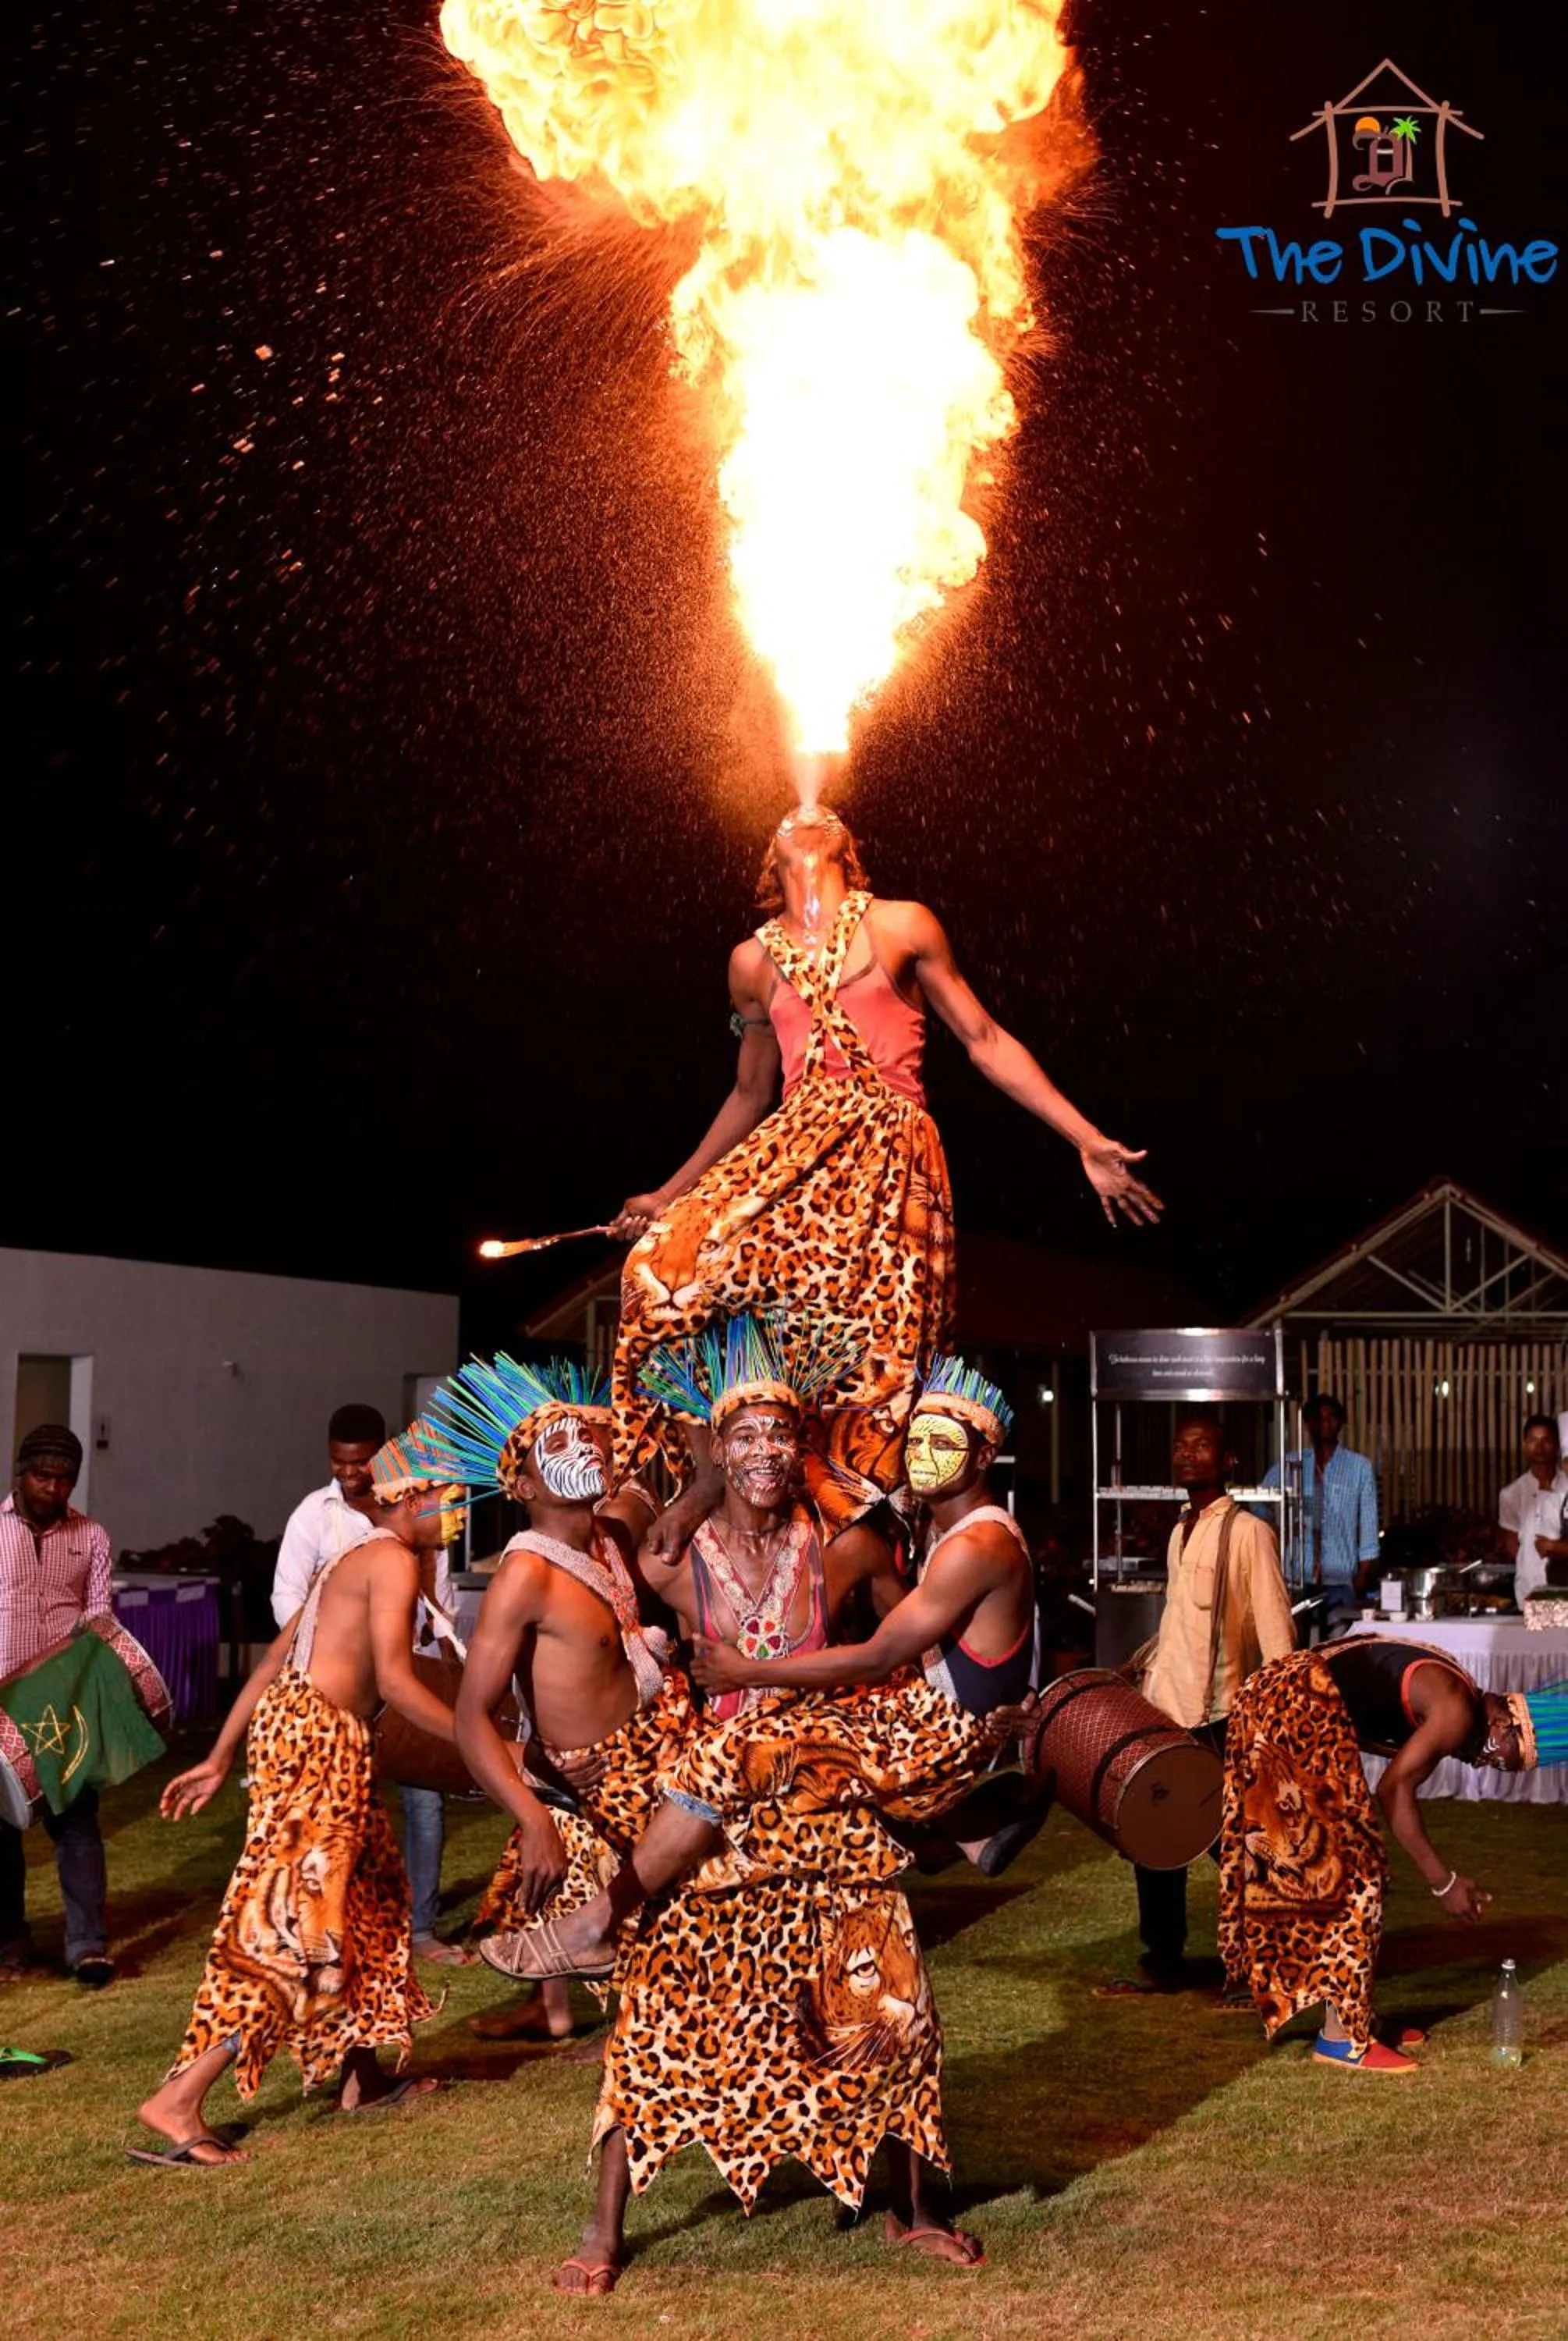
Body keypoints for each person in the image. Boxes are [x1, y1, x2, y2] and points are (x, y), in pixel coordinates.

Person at [436, 1329, 994, 2293]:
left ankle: (920, 2205)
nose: (767, 1454)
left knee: (890, 1994)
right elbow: (629, 1524)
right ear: (722, 1447)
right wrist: (696, 1469)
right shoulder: (663, 1561)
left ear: (804, 1445)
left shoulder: (847, 1549)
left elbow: (913, 1641)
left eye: (783, 1435)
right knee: (660, 2008)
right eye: (747, 1436)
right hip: (707, 1800)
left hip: (815, 1797)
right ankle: (605, 2231)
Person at [609, 804, 1162, 1524]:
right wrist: (668, 1193)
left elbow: (986, 1040)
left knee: (873, 1382)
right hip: (796, 1153)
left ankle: (862, 1541)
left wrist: (1083, 1137)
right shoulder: (752, 961)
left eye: (817, 814)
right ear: (768, 857)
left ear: (846, 843)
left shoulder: (903, 924)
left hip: (890, 1159)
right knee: (656, 1272)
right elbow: (750, 1093)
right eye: (784, 816)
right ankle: (702, 1485)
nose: (802, 814)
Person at [126, 1421, 463, 2168]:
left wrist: (220, 1758)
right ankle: (178, 2101)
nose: (460, 1511)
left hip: (304, 1731)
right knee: (292, 1929)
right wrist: (478, 1740)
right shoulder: (392, 1560)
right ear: (411, 1495)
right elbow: (401, 1682)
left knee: (371, 1902)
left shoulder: (362, 1555)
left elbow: (276, 1659)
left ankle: (363, 2076)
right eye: (451, 1495)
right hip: (317, 1744)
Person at [694, 1353, 1045, 1873]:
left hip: (934, 1733)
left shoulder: (976, 1545)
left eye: (943, 1444)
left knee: (747, 1752)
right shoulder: (959, 1532)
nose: (922, 1456)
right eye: (917, 1441)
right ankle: (952, 1828)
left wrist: (748, 1671)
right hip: (942, 1717)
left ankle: (943, 1821)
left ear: (984, 1456)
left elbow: (879, 1656)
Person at [1219, 1638, 1558, 2073]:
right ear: (1503, 1720)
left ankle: (1352, 2014)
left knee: (1354, 1867)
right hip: (1293, 1702)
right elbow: (1393, 1789)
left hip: (1288, 1698)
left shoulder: (1460, 1695)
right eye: (1504, 1758)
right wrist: (1444, 1881)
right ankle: (1341, 2038)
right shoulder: (1457, 1710)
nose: (1487, 1765)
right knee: (1356, 1876)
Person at [1099, 1411, 1296, 1997]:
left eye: (1203, 1446)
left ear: (1229, 1460)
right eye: (1182, 1447)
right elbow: (1179, 1621)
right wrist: (1140, 1665)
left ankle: (1263, 1965)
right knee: (1155, 1838)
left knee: (1234, 1847)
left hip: (1221, 1714)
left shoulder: (1249, 1533)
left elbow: (1275, 1626)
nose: (1189, 1455)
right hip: (1166, 1710)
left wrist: (1282, 1712)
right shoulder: (1179, 1531)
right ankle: (1164, 1959)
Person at [273, 1401, 467, 1966]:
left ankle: (416, 1929)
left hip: (404, 1677)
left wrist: (445, 1651)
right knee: (346, 1818)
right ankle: (328, 1936)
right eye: (340, 1462)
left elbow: (443, 1599)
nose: (350, 1473)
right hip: (346, 1696)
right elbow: (289, 1600)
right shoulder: (317, 1515)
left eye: (360, 1462)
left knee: (423, 1804)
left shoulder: (424, 1513)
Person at [0, 1425, 117, 1988]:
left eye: (64, 1479)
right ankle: (9, 1944)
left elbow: (99, 1616)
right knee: (0, 1831)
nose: (52, 1488)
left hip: (62, 1705)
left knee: (78, 1826)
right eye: (42, 1476)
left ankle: (87, 1945)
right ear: (19, 1473)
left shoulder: (90, 1535)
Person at [1257, 1392, 1379, 1630]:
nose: (1325, 1424)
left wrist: (1363, 1573)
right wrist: (1276, 1530)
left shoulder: (1359, 1467)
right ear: (1308, 1424)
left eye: (1332, 1418)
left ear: (1340, 1422)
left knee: (1337, 1652)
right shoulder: (1293, 1464)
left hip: (1340, 1577)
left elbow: (1368, 1523)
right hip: (1297, 1576)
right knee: (1294, 1652)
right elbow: (1259, 1499)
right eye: (1318, 1418)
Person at [1498, 1415, 1568, 1605]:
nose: (1539, 1447)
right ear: (1524, 1445)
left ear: (1556, 1446)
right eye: (1533, 1440)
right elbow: (1512, 1544)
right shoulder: (1511, 1493)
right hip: (1528, 1588)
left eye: (1546, 1440)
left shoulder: (1566, 1487)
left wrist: (1556, 1550)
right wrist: (1531, 1563)